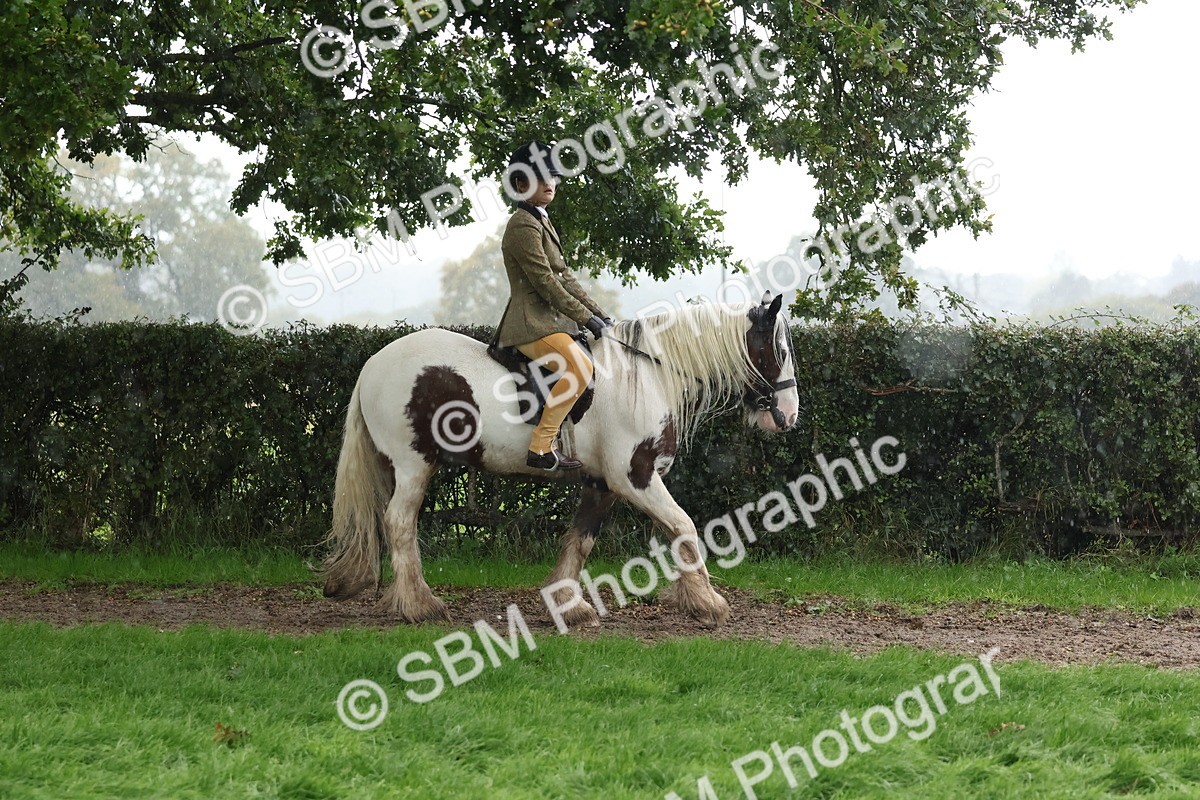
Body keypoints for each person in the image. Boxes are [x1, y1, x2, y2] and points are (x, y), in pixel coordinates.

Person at [496, 141, 612, 471]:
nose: (550, 183)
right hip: (530, 324)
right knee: (579, 368)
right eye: (539, 177)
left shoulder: (540, 220)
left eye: (553, 177)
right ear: (520, 185)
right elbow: (546, 282)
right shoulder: (522, 224)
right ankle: (541, 446)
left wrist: (598, 313)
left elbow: (566, 277)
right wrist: (585, 318)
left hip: (550, 323)